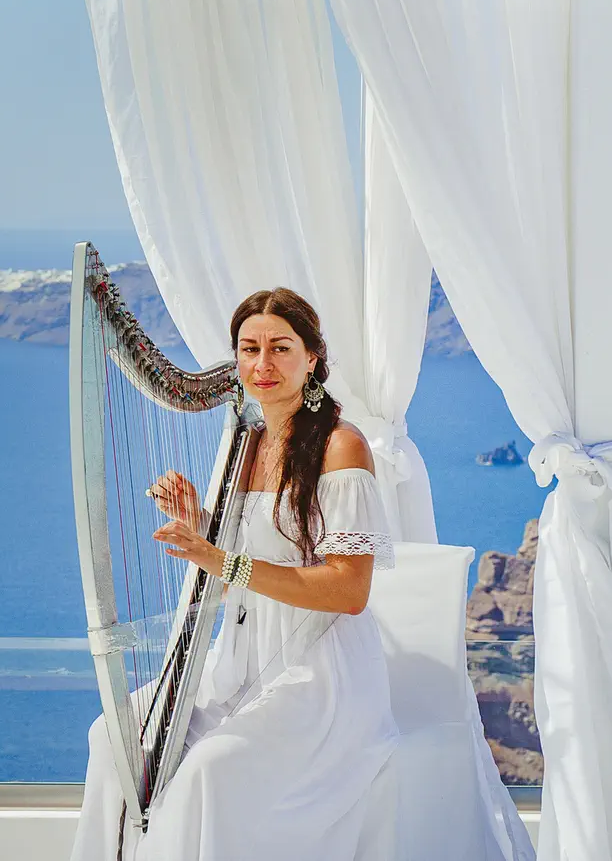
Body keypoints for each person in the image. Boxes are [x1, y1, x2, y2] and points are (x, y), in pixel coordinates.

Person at [71, 288, 398, 861]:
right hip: (237, 665)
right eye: (249, 349)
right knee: (111, 736)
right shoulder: (246, 445)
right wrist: (200, 527)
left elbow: (349, 591)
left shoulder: (341, 448)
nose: (262, 364)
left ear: (313, 358)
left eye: (280, 348)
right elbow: (236, 582)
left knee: (208, 771)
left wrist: (222, 560)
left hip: (317, 674)